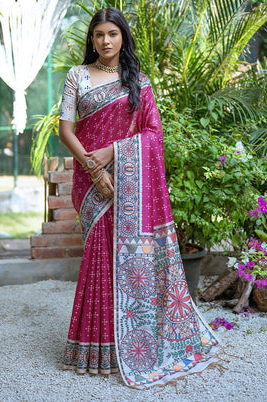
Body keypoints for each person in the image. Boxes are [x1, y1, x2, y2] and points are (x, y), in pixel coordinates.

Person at [59, 7, 221, 389]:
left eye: (112, 34)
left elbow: (153, 134)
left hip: (129, 180)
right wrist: (95, 170)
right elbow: (66, 131)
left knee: (128, 261)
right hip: (91, 179)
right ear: (92, 40)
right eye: (98, 34)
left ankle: (131, 345)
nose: (105, 41)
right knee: (99, 256)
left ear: (123, 38)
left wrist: (114, 152)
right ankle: (94, 347)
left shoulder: (139, 83)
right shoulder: (77, 76)